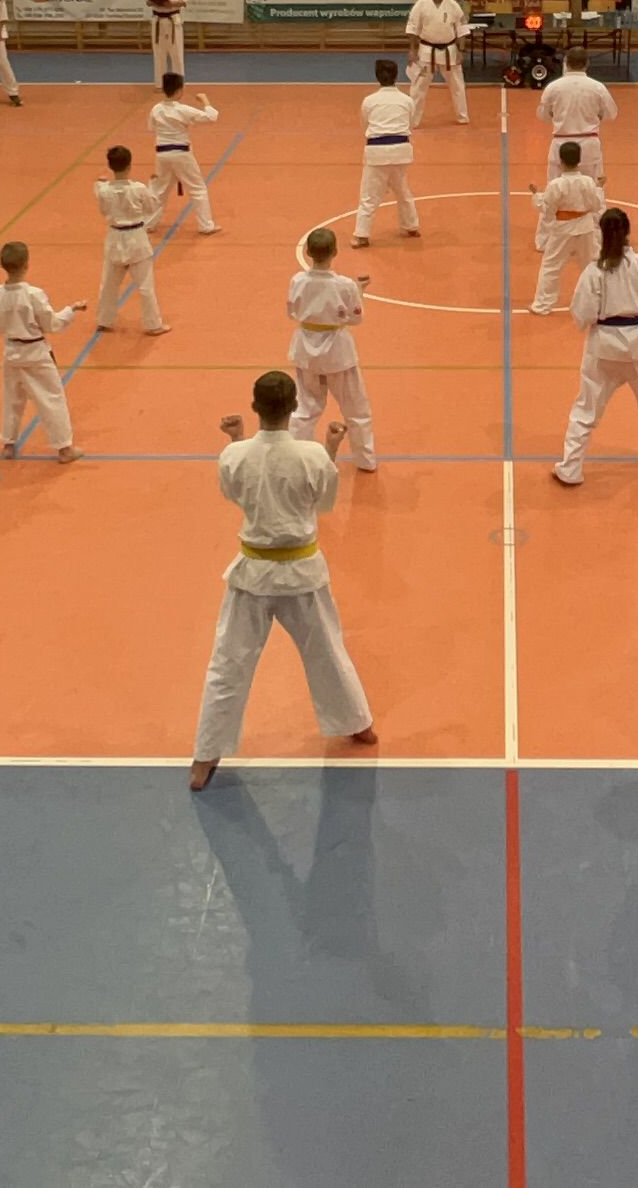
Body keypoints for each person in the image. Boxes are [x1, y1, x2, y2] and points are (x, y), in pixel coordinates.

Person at [188, 370, 378, 791]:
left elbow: (235, 492)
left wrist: (236, 439)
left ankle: (206, 754)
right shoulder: (311, 455)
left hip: (252, 575)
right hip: (302, 574)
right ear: (294, 408)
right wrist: (330, 448)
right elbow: (324, 503)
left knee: (228, 663)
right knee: (327, 652)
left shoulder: (234, 455)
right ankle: (357, 723)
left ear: (255, 408)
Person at [557, 208, 638, 487]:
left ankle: (571, 469)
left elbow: (583, 314)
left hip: (605, 346)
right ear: (628, 232)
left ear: (601, 233)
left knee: (587, 408)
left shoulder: (594, 272)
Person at [285, 227, 379, 471]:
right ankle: (365, 460)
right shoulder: (345, 285)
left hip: (306, 349)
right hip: (338, 353)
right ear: (335, 252)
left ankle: (298, 460)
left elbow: (292, 312)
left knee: (304, 408)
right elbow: (355, 318)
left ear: (308, 252)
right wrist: (358, 291)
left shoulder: (297, 280)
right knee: (356, 408)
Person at [0, 241, 84, 463]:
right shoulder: (34, 294)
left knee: (12, 398)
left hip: (11, 352)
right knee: (52, 398)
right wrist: (71, 310)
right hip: (36, 352)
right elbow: (51, 324)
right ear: (26, 264)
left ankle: (8, 444)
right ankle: (64, 448)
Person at [91, 146, 169, 337]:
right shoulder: (138, 188)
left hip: (114, 237)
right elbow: (152, 207)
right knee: (145, 285)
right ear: (129, 165)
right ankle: (153, 324)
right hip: (136, 238)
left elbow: (102, 206)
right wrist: (153, 185)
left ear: (110, 165)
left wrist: (100, 182)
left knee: (109, 283)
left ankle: (104, 320)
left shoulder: (103, 190)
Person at [526, 140, 604, 317]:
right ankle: (600, 302)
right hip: (586, 227)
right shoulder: (588, 182)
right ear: (579, 160)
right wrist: (599, 188)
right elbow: (596, 205)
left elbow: (547, 210)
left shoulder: (556, 185)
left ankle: (543, 305)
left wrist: (537, 196)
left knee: (551, 266)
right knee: (592, 264)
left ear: (560, 161)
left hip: (563, 229)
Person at [352, 60, 420, 248]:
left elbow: (365, 124)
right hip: (401, 150)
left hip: (377, 151)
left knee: (368, 195)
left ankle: (361, 235)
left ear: (377, 77)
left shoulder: (369, 101)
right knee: (402, 189)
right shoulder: (407, 100)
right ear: (396, 76)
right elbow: (410, 123)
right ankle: (411, 226)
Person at [146, 75, 222, 235]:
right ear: (179, 90)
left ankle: (149, 223)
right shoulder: (182, 110)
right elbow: (211, 117)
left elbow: (151, 128)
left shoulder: (156, 109)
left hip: (162, 154)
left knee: (159, 190)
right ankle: (206, 225)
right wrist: (205, 100)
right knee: (197, 189)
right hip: (181, 153)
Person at [405, 0, 472, 126]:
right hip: (426, 51)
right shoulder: (421, 5)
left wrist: (461, 50)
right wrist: (412, 50)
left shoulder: (453, 5)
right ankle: (413, 120)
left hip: (450, 50)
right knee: (418, 87)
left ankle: (463, 116)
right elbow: (412, 29)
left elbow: (461, 29)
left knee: (458, 85)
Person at [536, 63, 616, 182]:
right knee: (592, 188)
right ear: (587, 64)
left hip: (560, 142)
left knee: (555, 188)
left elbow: (543, 115)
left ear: (566, 64)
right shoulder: (598, 87)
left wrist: (555, 115)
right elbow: (611, 113)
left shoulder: (553, 87)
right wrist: (598, 115)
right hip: (589, 144)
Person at [143, 0, 194, 83]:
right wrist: (151, 2)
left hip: (173, 18)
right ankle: (160, 84)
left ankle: (178, 84)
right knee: (159, 53)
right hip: (158, 19)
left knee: (176, 54)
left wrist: (174, 3)